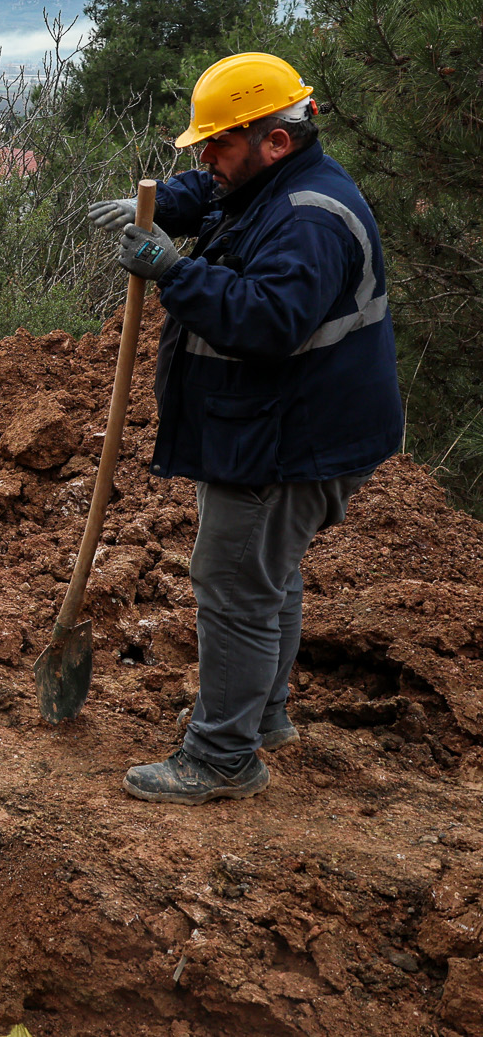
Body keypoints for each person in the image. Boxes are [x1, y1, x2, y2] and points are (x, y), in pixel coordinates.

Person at [88, 52, 403, 805]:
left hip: (289, 440)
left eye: (218, 144)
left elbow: (267, 320)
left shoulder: (308, 220)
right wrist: (157, 204)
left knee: (233, 583)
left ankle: (223, 756)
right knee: (267, 575)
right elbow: (213, 193)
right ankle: (260, 716)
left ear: (276, 140)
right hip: (288, 425)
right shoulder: (273, 182)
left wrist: (173, 271)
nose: (206, 159)